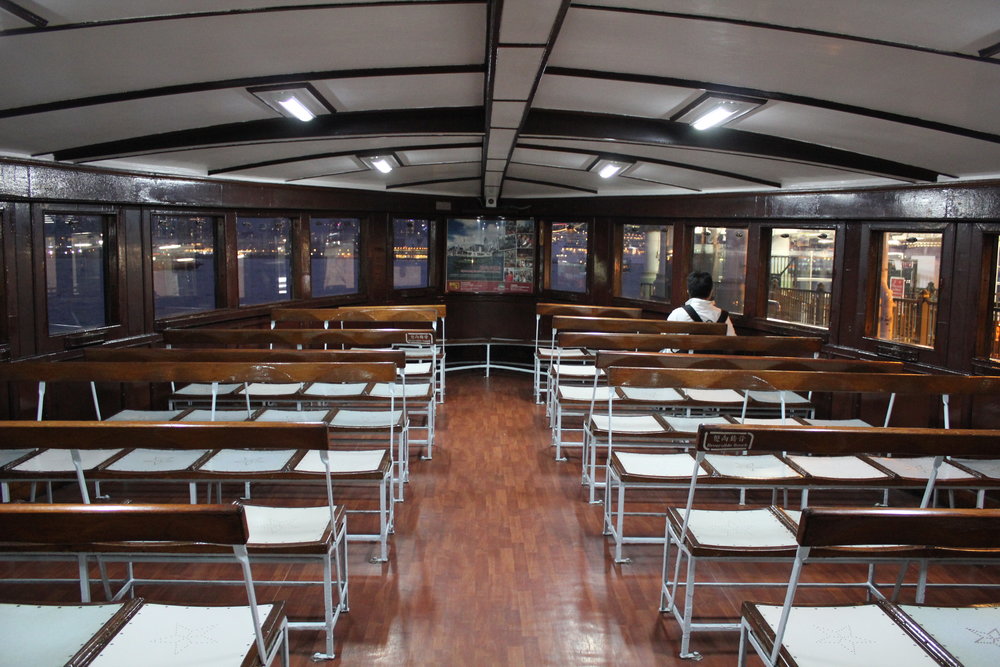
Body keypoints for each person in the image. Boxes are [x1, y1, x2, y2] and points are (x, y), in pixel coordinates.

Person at [667, 271, 737, 336]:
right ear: (711, 292)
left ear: (688, 291)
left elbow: (665, 340)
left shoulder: (677, 314)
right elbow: (732, 341)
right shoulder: (723, 316)